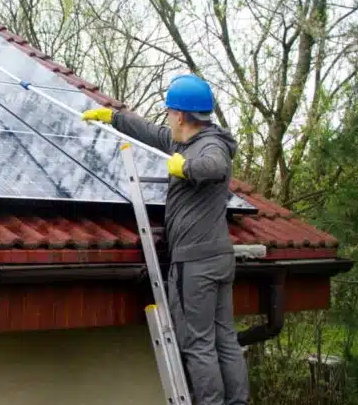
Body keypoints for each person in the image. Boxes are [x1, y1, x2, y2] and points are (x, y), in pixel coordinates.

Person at [81, 74, 249, 405]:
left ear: (182, 115)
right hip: (215, 257)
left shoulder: (208, 146)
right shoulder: (184, 141)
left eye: (170, 112)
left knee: (199, 343)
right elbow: (151, 133)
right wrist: (113, 117)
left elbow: (215, 166)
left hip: (197, 264)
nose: (167, 117)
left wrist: (186, 169)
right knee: (224, 337)